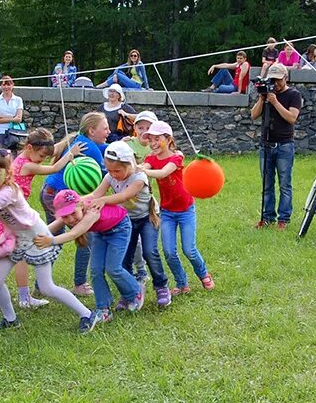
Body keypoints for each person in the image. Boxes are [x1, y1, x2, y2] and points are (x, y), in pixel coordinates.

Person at [0, 151, 100, 333]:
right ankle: (10, 319)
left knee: (47, 287)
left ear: (8, 173)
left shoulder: (10, 191)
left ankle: (88, 314)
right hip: (15, 238)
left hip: (36, 237)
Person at [0, 128, 82, 310]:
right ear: (29, 147)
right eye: (41, 156)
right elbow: (53, 168)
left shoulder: (24, 157)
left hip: (10, 212)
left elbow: (49, 149)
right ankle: (24, 297)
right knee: (20, 255)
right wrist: (70, 155)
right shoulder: (27, 165)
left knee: (8, 252)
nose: (42, 160)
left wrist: (68, 141)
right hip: (9, 215)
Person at [84, 140, 171, 309]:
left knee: (150, 252)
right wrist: (79, 201)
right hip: (125, 221)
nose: (113, 174)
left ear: (129, 164)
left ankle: (161, 286)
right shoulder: (110, 176)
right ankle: (128, 293)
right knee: (125, 257)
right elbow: (96, 194)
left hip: (147, 219)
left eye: (117, 170)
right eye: (109, 170)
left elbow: (124, 196)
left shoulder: (139, 177)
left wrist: (102, 200)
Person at [44, 188, 141, 323]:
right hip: (101, 234)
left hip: (119, 229)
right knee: (95, 270)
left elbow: (74, 234)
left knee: (113, 268)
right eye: (65, 216)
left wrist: (51, 241)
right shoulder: (73, 212)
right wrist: (36, 234)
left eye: (73, 213)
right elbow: (52, 226)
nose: (70, 219)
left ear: (81, 206)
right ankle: (103, 308)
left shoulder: (92, 212)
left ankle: (135, 292)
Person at [40, 112, 110, 297]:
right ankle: (79, 283)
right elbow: (105, 178)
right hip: (58, 198)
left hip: (49, 192)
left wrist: (120, 144)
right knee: (84, 238)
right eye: (105, 128)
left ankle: (41, 284)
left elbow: (103, 147)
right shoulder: (91, 149)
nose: (109, 131)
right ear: (92, 130)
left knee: (56, 238)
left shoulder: (82, 140)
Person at [140, 121, 214, 294]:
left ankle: (203, 274)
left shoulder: (177, 157)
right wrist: (137, 167)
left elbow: (163, 172)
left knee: (189, 249)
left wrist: (142, 171)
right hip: (167, 212)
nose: (153, 143)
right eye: (150, 140)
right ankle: (182, 284)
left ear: (169, 139)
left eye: (157, 139)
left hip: (186, 210)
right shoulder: (150, 159)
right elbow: (145, 167)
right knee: (168, 251)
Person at [249, 62, 302, 229]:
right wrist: (262, 98)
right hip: (266, 144)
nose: (276, 84)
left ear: (285, 78)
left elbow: (292, 118)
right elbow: (254, 115)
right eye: (272, 80)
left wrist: (276, 102)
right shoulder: (267, 95)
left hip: (284, 145)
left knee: (285, 184)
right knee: (267, 184)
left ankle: (283, 219)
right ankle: (267, 217)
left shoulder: (293, 94)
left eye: (278, 80)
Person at [0, 75, 24, 150]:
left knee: (12, 156)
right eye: (4, 85)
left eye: (8, 84)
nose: (6, 87)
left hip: (13, 132)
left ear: (12, 85)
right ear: (1, 86)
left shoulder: (18, 100)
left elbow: (19, 119)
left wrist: (1, 116)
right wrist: (12, 117)